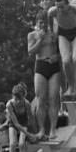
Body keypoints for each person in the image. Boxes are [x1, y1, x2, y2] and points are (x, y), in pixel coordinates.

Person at [27, 9, 61, 141]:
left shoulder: (53, 35)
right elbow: (31, 51)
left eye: (45, 23)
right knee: (41, 99)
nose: (43, 25)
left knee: (53, 98)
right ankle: (42, 129)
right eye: (40, 23)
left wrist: (56, 57)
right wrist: (40, 39)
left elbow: (61, 51)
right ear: (36, 23)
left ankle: (52, 129)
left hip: (53, 67)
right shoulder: (32, 35)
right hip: (40, 66)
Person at [6, 82, 41, 152]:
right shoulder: (9, 104)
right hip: (13, 123)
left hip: (23, 123)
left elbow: (31, 118)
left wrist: (36, 132)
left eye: (19, 99)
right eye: (15, 98)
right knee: (12, 144)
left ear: (23, 97)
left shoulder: (27, 104)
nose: (17, 101)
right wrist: (28, 134)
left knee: (21, 144)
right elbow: (16, 124)